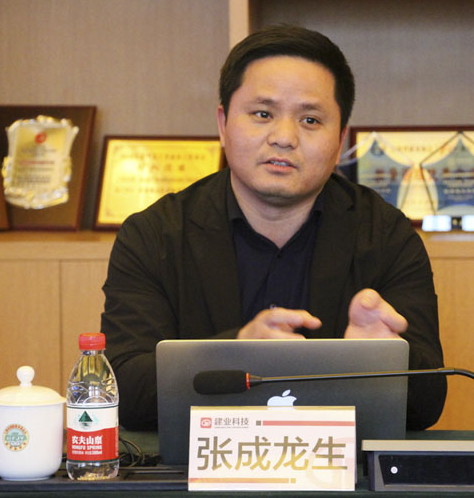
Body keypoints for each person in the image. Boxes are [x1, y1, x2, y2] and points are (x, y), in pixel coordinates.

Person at [101, 24, 447, 431]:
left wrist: (382, 361)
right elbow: (122, 389)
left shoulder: (387, 236)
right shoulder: (154, 236)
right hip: (196, 467)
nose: (284, 138)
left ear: (341, 141)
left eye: (310, 120)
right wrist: (236, 351)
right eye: (262, 114)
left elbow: (428, 403)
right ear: (223, 123)